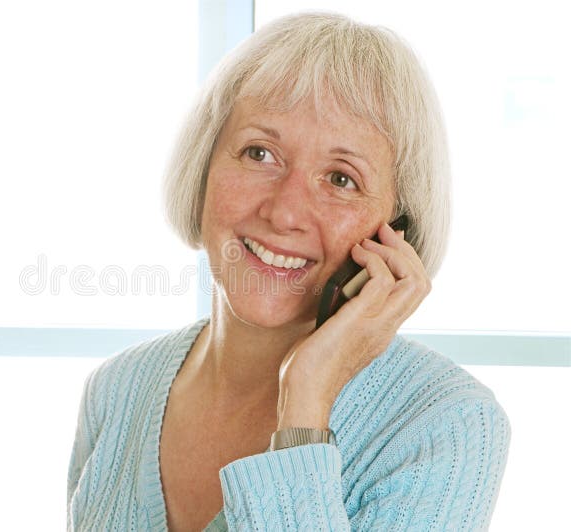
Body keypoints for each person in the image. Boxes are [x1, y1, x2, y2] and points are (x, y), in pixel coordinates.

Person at [67, 12, 510, 531]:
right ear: (203, 167)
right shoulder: (117, 390)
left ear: (396, 231)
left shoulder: (446, 425)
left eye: (341, 179)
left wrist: (305, 405)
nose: (285, 213)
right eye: (260, 153)